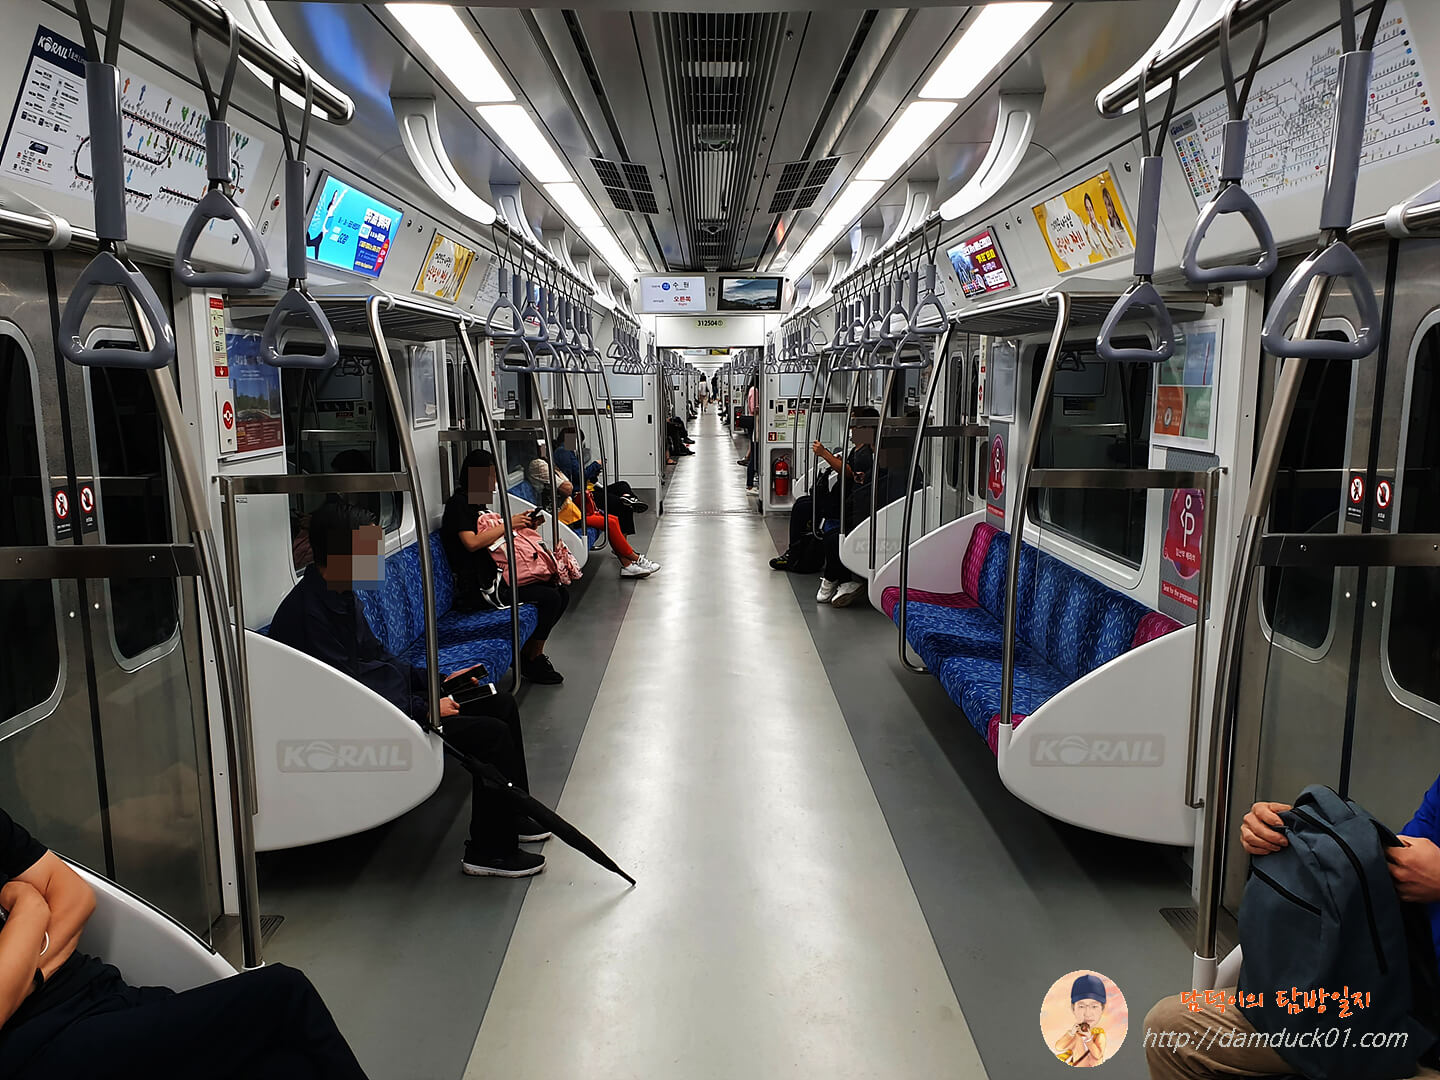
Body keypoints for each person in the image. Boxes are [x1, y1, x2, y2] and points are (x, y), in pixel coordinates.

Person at [271, 501, 549, 876]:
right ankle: (489, 852)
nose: (377, 561)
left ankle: (513, 812)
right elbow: (346, 693)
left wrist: (438, 682)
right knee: (490, 735)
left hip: (381, 704)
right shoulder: (308, 615)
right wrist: (424, 709)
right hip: (356, 720)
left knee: (500, 705)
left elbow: (378, 658)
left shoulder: (339, 593)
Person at [0, 809, 372, 1078]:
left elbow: (76, 895)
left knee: (287, 1067)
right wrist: (29, 906)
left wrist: (26, 972)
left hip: (101, 992)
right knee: (283, 991)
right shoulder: (28, 905)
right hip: (39, 1040)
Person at [1143, 781, 1440, 1079]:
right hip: (1384, 998)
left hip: (1421, 1037)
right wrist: (1286, 834)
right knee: (1168, 1028)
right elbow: (1390, 863)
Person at [441, 449, 569, 685]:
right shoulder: (458, 504)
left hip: (497, 576)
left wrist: (523, 524)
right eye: (490, 477)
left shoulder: (479, 504)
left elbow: (495, 541)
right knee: (550, 598)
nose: (494, 483)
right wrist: (510, 523)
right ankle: (532, 659)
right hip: (481, 588)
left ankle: (529, 654)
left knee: (560, 591)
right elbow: (471, 543)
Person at [525, 459, 659, 579]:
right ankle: (636, 559)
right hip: (559, 518)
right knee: (609, 523)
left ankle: (628, 565)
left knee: (613, 519)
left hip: (571, 512)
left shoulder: (551, 465)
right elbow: (568, 488)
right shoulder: (538, 465)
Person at [1055, 973, 1110, 1067]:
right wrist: (1071, 1033)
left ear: (1102, 1009)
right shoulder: (1076, 1035)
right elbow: (1059, 1047)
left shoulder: (1099, 1035)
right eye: (1081, 1006)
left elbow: (1097, 1055)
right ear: (1073, 1008)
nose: (1087, 1014)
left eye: (1094, 1006)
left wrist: (1089, 1039)